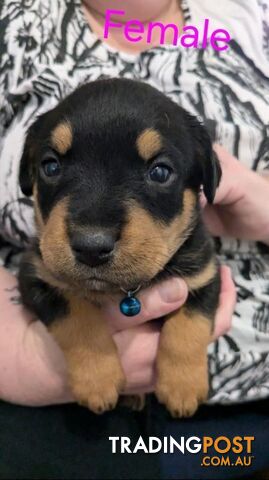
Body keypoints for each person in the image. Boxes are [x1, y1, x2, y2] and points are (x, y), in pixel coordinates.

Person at [0, 0, 269, 478]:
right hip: (54, 400)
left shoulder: (253, 15)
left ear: (202, 186)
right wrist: (64, 355)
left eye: (160, 171)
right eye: (53, 166)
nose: (93, 232)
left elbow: (203, 287)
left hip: (242, 402)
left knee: (233, 457)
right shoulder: (16, 17)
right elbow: (37, 282)